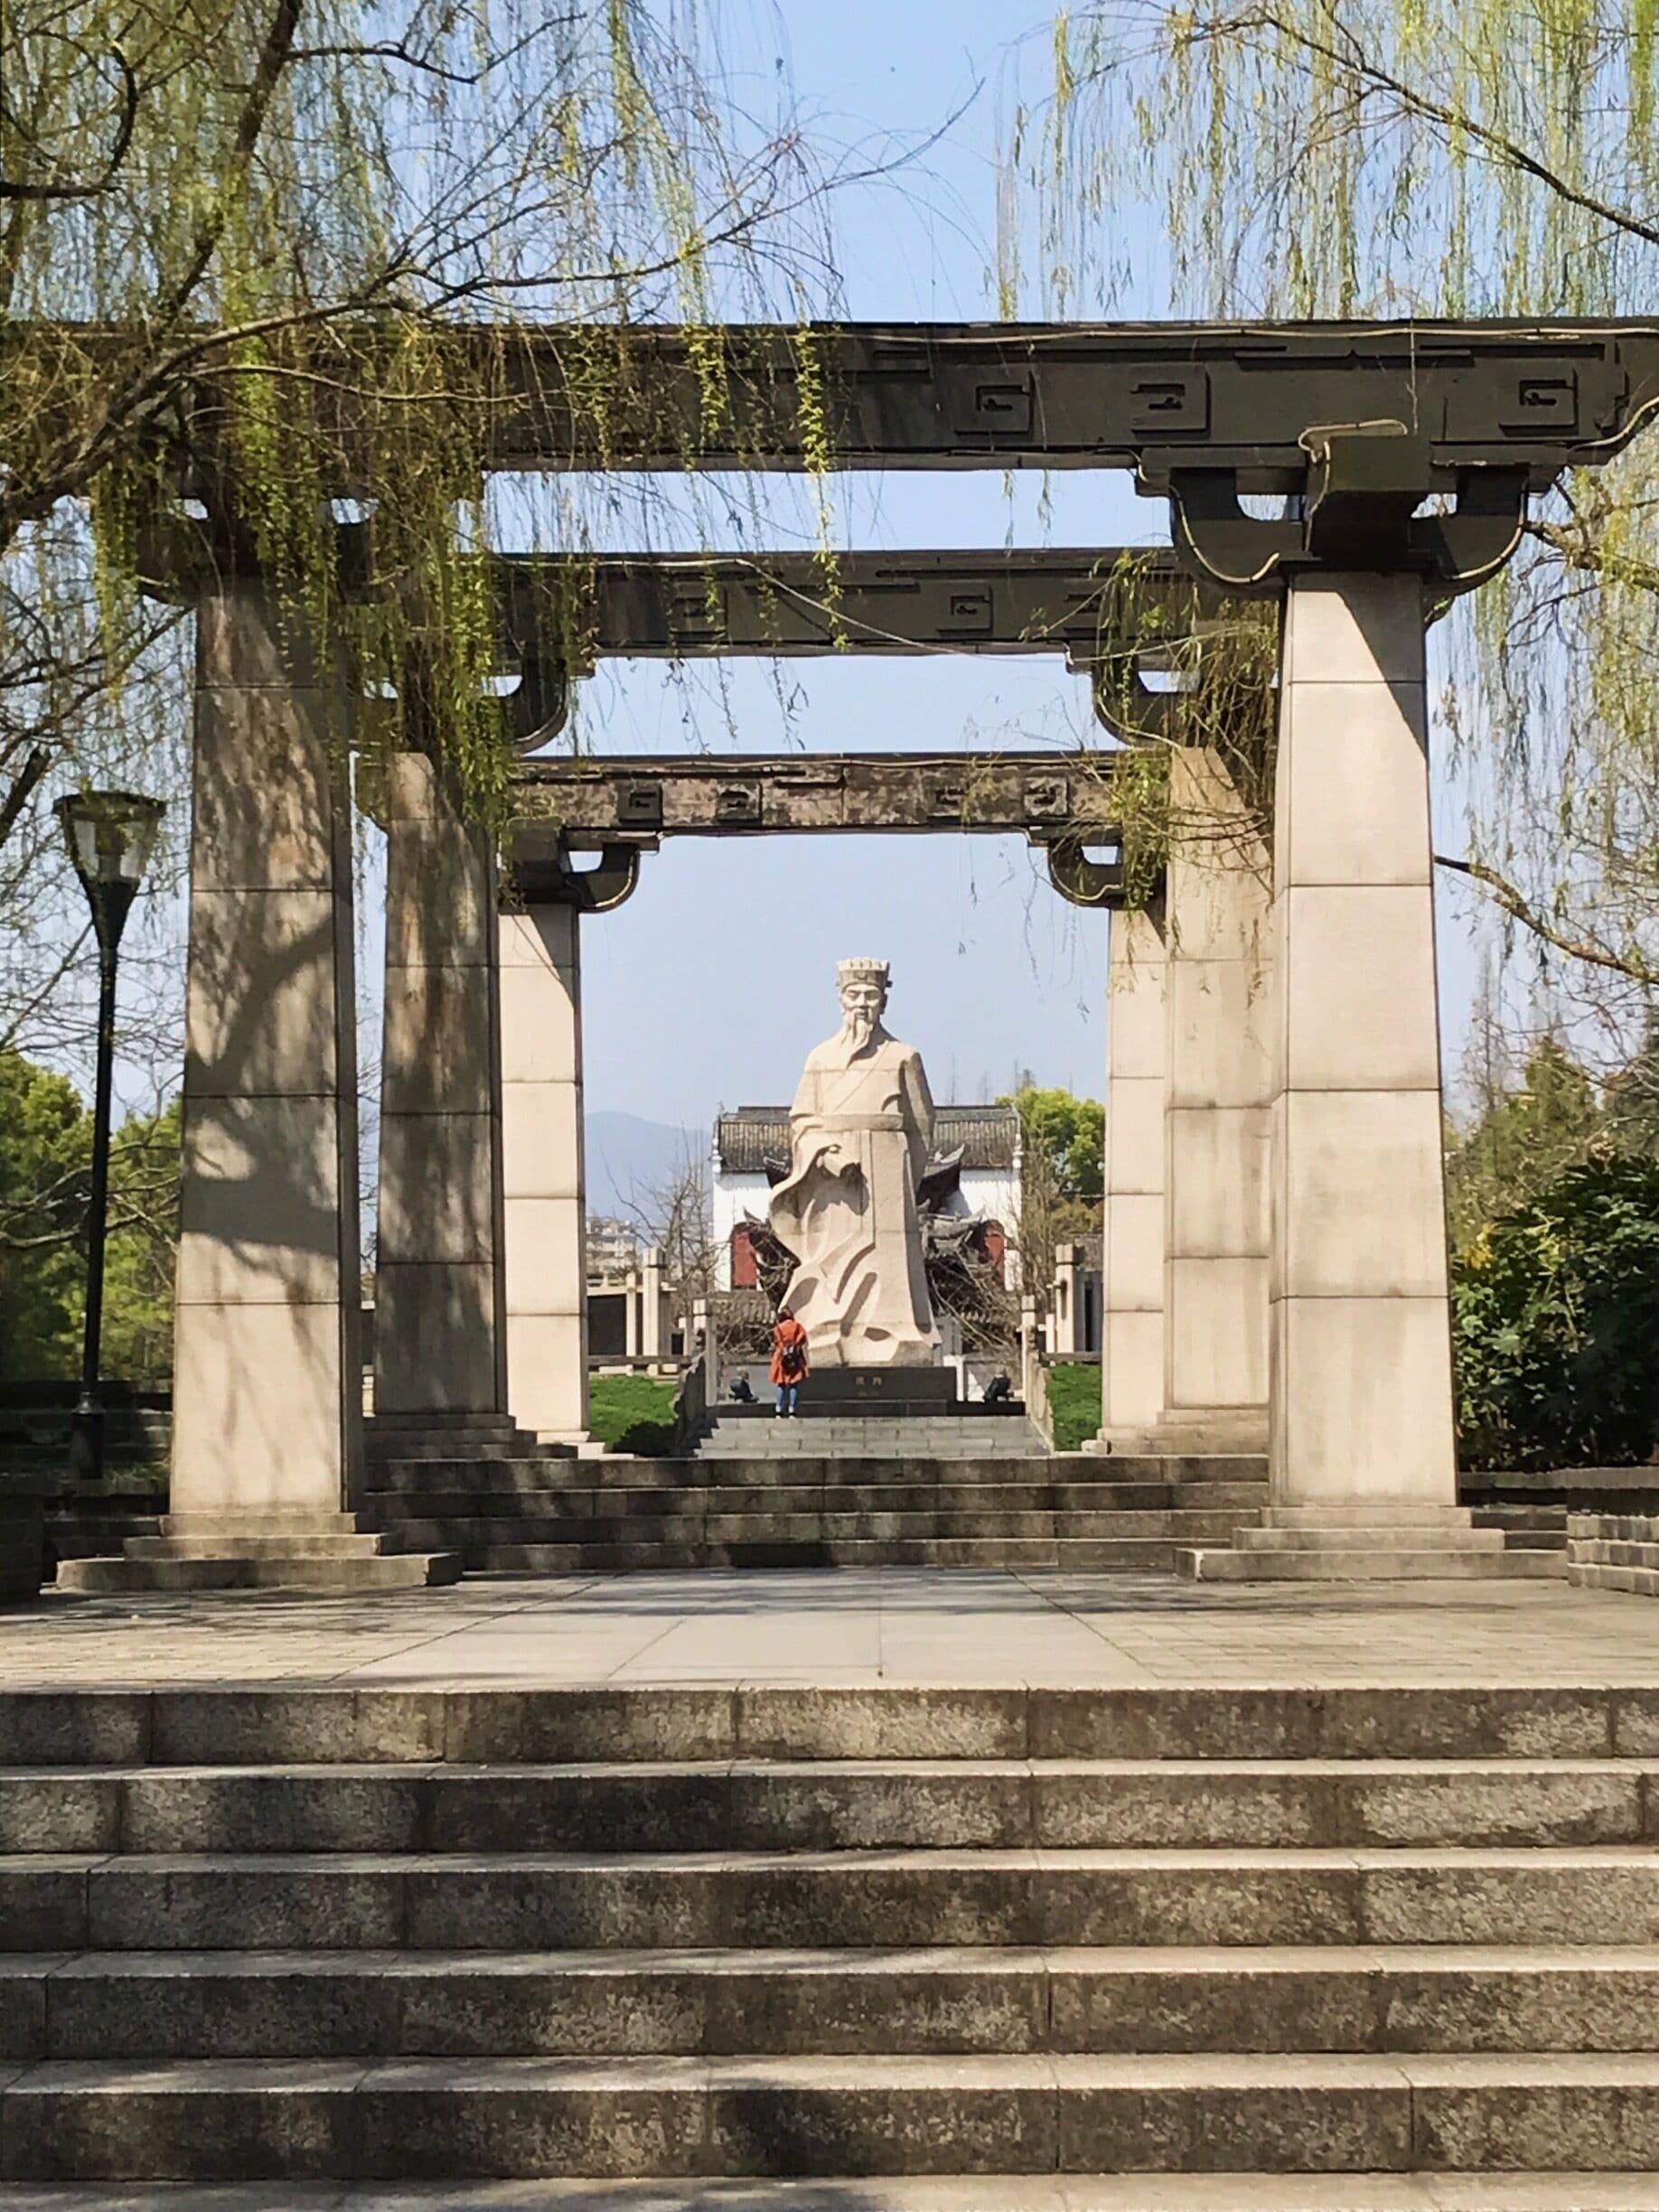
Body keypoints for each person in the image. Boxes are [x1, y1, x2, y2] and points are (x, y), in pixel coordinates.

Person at [770, 1305, 810, 1419]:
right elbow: (803, 1338)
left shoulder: (778, 1328)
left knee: (781, 1384)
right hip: (795, 1357)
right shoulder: (797, 1326)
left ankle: (778, 1409)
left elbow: (776, 1341)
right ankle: (792, 1409)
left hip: (781, 1357)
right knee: (794, 1384)